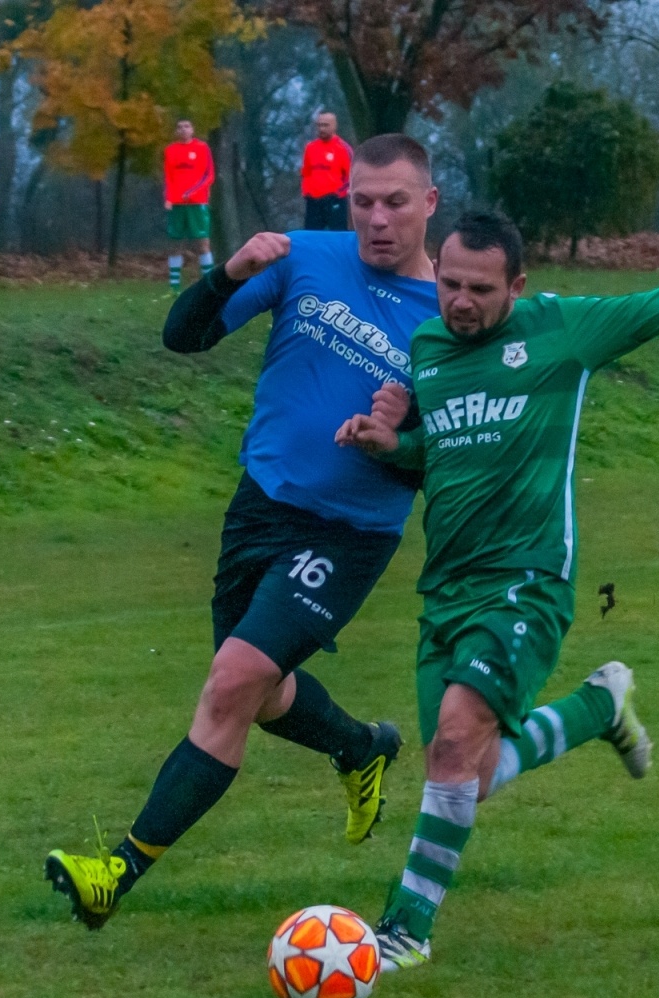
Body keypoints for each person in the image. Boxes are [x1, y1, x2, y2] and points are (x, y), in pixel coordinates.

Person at [335, 183, 659, 972]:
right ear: (436, 270)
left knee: (448, 748)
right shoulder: (428, 351)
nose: (463, 303)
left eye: (482, 290)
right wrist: (389, 444)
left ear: (517, 285)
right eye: (450, 284)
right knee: (466, 784)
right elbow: (439, 453)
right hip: (445, 591)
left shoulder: (565, 330)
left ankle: (403, 931)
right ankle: (596, 706)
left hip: (528, 582)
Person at [44, 134, 443, 930]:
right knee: (258, 696)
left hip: (347, 535)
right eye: (362, 200)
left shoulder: (449, 318)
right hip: (257, 508)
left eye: (395, 201)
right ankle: (361, 746)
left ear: (430, 202)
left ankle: (111, 876)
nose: (377, 218)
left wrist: (395, 444)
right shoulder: (304, 257)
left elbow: (441, 462)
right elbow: (182, 336)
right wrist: (227, 270)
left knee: (231, 683)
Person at [163, 119, 215, 294]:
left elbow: (209, 175)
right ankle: (174, 286)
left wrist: (193, 192)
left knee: (202, 243)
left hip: (197, 203)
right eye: (179, 127)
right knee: (175, 243)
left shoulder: (202, 148)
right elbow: (168, 177)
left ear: (192, 129)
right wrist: (169, 198)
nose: (183, 129)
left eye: (186, 126)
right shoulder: (170, 151)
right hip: (177, 204)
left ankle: (209, 284)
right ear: (176, 131)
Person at [301, 111, 352, 231]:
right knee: (312, 237)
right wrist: (306, 192)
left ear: (334, 126)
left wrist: (338, 194)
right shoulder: (311, 148)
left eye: (325, 125)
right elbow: (306, 173)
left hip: (334, 200)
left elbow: (352, 175)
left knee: (338, 236)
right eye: (319, 125)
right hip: (313, 201)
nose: (321, 129)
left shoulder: (343, 148)